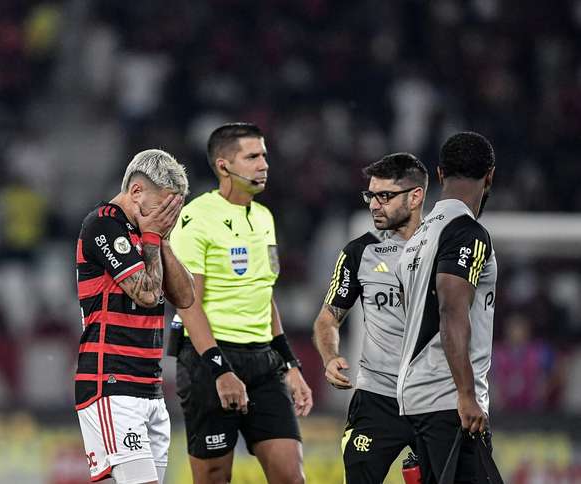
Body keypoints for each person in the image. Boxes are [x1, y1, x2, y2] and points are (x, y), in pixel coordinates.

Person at [170, 123, 313, 484]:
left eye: (264, 155)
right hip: (209, 362)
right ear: (223, 166)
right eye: (252, 156)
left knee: (291, 476)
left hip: (264, 363)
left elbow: (264, 294)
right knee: (215, 478)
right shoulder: (195, 218)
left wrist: (290, 364)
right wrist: (220, 370)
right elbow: (188, 305)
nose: (264, 163)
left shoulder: (264, 217)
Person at [74, 149, 194, 484]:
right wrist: (153, 238)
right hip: (111, 382)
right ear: (137, 191)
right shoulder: (102, 224)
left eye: (174, 211)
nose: (167, 217)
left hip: (150, 388)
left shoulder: (151, 232)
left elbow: (185, 297)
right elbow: (145, 293)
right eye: (164, 207)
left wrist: (163, 240)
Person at [312, 153, 427, 483]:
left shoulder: (443, 247)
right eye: (371, 196)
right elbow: (328, 317)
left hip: (433, 397)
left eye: (385, 196)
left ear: (415, 196)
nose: (375, 205)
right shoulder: (359, 251)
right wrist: (330, 356)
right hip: (377, 398)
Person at [395, 132, 497, 483]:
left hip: (417, 398)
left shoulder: (415, 241)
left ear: (439, 175)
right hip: (449, 401)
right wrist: (467, 395)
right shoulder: (468, 233)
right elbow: (451, 312)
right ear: (490, 176)